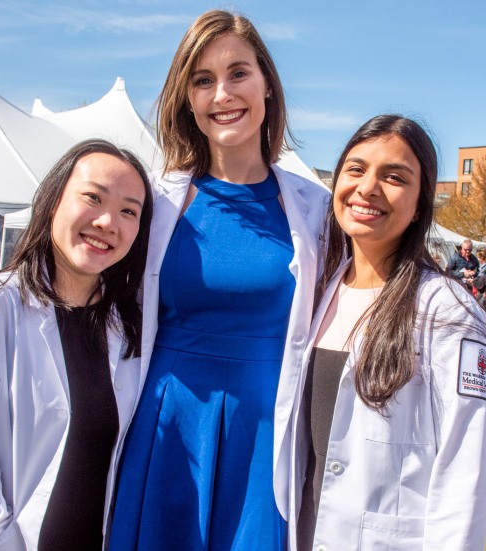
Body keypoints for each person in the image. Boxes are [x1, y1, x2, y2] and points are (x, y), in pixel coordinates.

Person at [109, 10, 330, 551]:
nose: (222, 93)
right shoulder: (155, 202)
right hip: (168, 425)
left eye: (238, 73)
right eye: (202, 80)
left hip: (266, 432)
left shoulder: (318, 211)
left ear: (267, 86)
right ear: (187, 99)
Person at [0, 139, 154, 550]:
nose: (106, 222)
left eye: (128, 211)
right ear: (51, 203)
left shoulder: (130, 324)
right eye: (93, 198)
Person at [291, 114, 486, 550]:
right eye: (356, 169)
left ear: (421, 204)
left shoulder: (447, 309)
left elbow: (468, 466)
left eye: (394, 177)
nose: (368, 188)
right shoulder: (317, 291)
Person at [469, 246, 486, 314]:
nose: (478, 259)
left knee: (483, 314)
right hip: (479, 293)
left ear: (483, 257)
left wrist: (477, 280)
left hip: (485, 295)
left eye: (479, 257)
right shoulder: (482, 266)